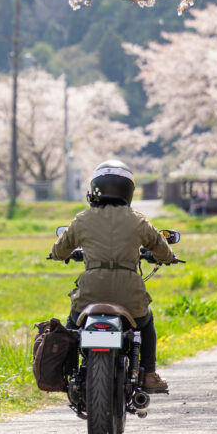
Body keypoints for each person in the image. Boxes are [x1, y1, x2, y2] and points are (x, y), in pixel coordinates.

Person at [49, 159, 178, 393]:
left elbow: (59, 250)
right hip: (129, 293)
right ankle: (148, 374)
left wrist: (59, 254)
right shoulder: (137, 220)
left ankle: (64, 373)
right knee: (146, 322)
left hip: (91, 292)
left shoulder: (83, 219)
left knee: (72, 325)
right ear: (128, 191)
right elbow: (161, 248)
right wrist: (168, 257)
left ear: (95, 188)